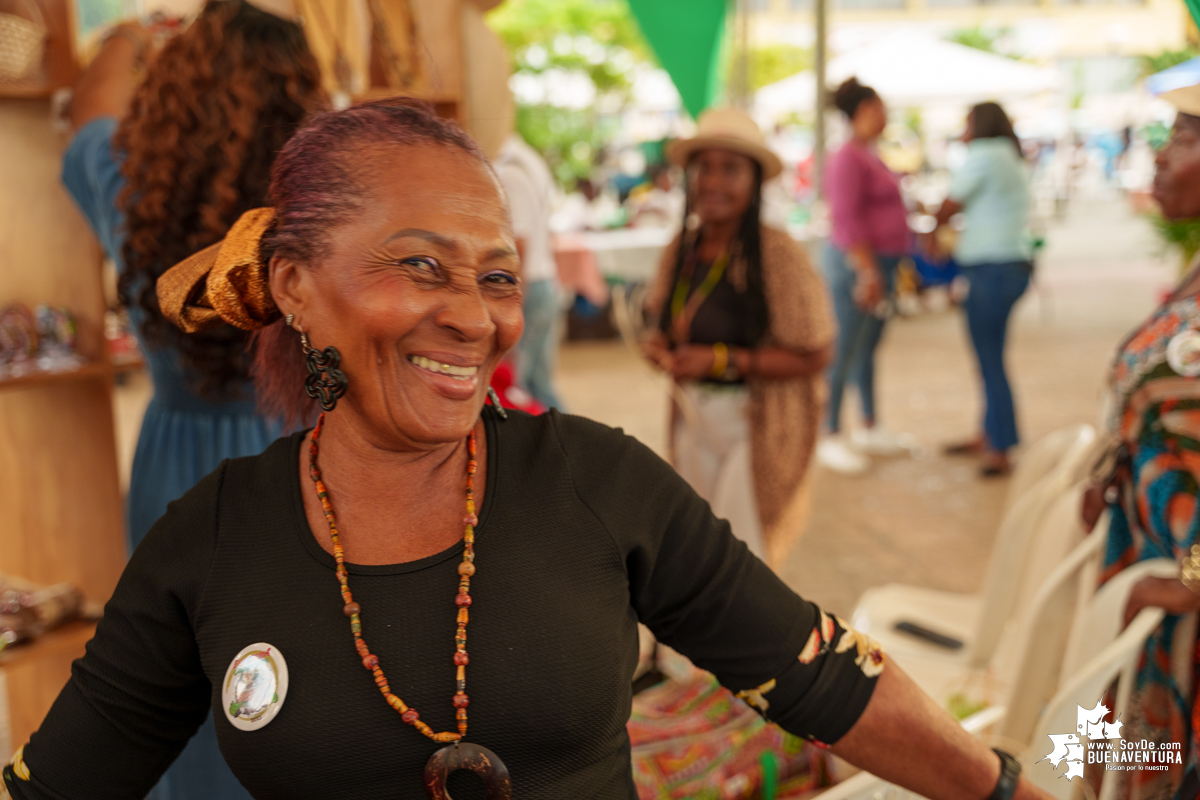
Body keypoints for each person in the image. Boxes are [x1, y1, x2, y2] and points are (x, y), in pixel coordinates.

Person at [8, 100, 1054, 800]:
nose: (474, 318)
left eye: (499, 277)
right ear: (294, 287)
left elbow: (824, 674)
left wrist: (1007, 787)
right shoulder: (211, 539)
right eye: (421, 266)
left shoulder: (598, 481)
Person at [60, 2, 323, 798]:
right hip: (300, 461)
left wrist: (133, 31)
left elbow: (88, 116)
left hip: (173, 467)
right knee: (304, 684)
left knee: (184, 684)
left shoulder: (135, 191)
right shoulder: (322, 208)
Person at [643, 107, 833, 567]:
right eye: (704, 167)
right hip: (693, 420)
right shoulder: (682, 249)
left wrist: (723, 360)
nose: (713, 182)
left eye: (730, 169)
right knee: (693, 550)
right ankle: (679, 642)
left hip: (755, 425)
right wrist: (659, 349)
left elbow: (817, 352)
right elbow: (663, 327)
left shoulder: (776, 253)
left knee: (740, 558)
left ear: (755, 181)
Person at [1081, 82, 1200, 798]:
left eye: (1184, 138)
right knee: (1089, 764)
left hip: (1183, 631)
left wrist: (1192, 576)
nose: (1159, 157)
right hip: (1144, 597)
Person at [817, 77, 914, 476]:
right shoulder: (846, 157)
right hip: (858, 266)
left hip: (881, 264)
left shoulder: (868, 153)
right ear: (861, 111)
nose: (885, 115)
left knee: (867, 347)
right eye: (879, 108)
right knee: (843, 349)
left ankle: (869, 424)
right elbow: (846, 217)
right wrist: (867, 270)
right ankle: (830, 431)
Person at [934, 102, 1032, 477]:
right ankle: (990, 432)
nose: (963, 130)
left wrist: (932, 227)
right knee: (991, 357)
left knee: (990, 360)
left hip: (990, 269)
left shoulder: (985, 153)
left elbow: (948, 205)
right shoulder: (1009, 154)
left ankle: (1001, 445)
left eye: (967, 122)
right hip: (1009, 266)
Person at [494, 134, 565, 410]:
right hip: (538, 284)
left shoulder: (510, 172)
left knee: (522, 386)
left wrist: (511, 301)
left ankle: (565, 448)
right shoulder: (526, 162)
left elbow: (518, 243)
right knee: (536, 384)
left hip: (530, 287)